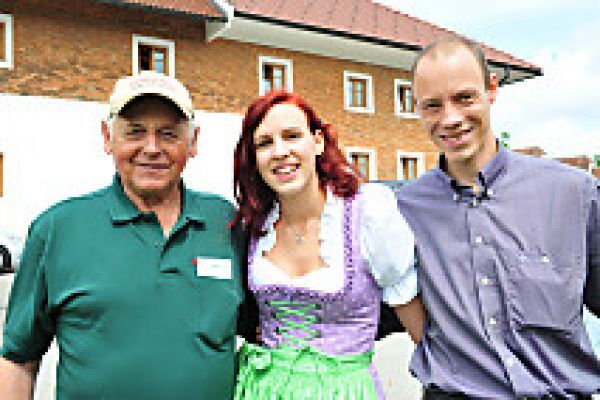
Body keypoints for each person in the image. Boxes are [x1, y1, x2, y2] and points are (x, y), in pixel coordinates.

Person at [0, 71, 245, 399]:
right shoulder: (58, 228)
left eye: (168, 134)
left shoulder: (227, 224)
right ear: (108, 137)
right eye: (135, 132)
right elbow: (18, 358)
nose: (152, 148)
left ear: (193, 142)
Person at [396, 36, 600, 399]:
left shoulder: (573, 194)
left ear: (492, 89)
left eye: (464, 98)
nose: (450, 119)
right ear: (416, 108)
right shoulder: (401, 212)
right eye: (432, 106)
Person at [231, 90, 425, 399]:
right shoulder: (255, 225)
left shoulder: (368, 214)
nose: (280, 151)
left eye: (292, 136)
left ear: (318, 141)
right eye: (264, 143)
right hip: (262, 389)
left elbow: (416, 323)